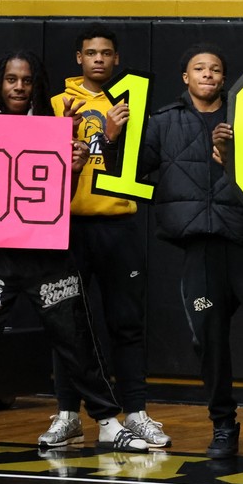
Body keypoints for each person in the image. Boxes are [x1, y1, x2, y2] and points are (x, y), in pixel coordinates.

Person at [0, 50, 148, 454]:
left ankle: (109, 423)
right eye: (12, 79)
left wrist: (75, 166)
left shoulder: (53, 127)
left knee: (75, 337)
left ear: (35, 85)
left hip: (46, 254)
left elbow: (63, 195)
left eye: (26, 80)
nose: (20, 87)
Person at [104, 42, 243, 459]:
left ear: (223, 77)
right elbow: (127, 173)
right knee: (208, 341)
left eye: (215, 69)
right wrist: (111, 140)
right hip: (199, 247)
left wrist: (234, 156)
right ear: (185, 77)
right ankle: (223, 425)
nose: (207, 75)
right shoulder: (163, 122)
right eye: (199, 68)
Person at [43, 24, 168, 450]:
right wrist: (100, 135)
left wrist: (115, 139)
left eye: (106, 53)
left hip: (118, 226)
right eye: (91, 52)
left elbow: (144, 164)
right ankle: (67, 414)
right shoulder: (56, 102)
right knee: (67, 325)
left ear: (116, 60)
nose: (99, 59)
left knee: (127, 324)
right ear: (79, 58)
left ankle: (134, 412)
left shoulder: (133, 102)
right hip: (69, 227)